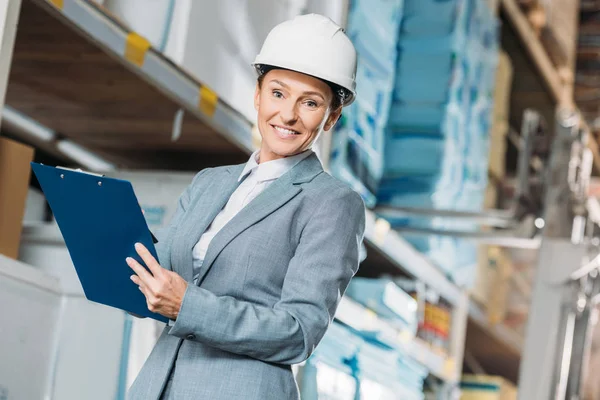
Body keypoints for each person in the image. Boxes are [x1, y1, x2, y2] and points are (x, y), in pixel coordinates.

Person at [126, 13, 365, 400]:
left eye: (310, 102)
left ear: (331, 116)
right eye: (278, 93)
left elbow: (298, 332)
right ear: (257, 94)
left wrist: (188, 304)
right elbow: (162, 280)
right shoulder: (210, 182)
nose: (287, 114)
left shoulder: (332, 204)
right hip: (158, 385)